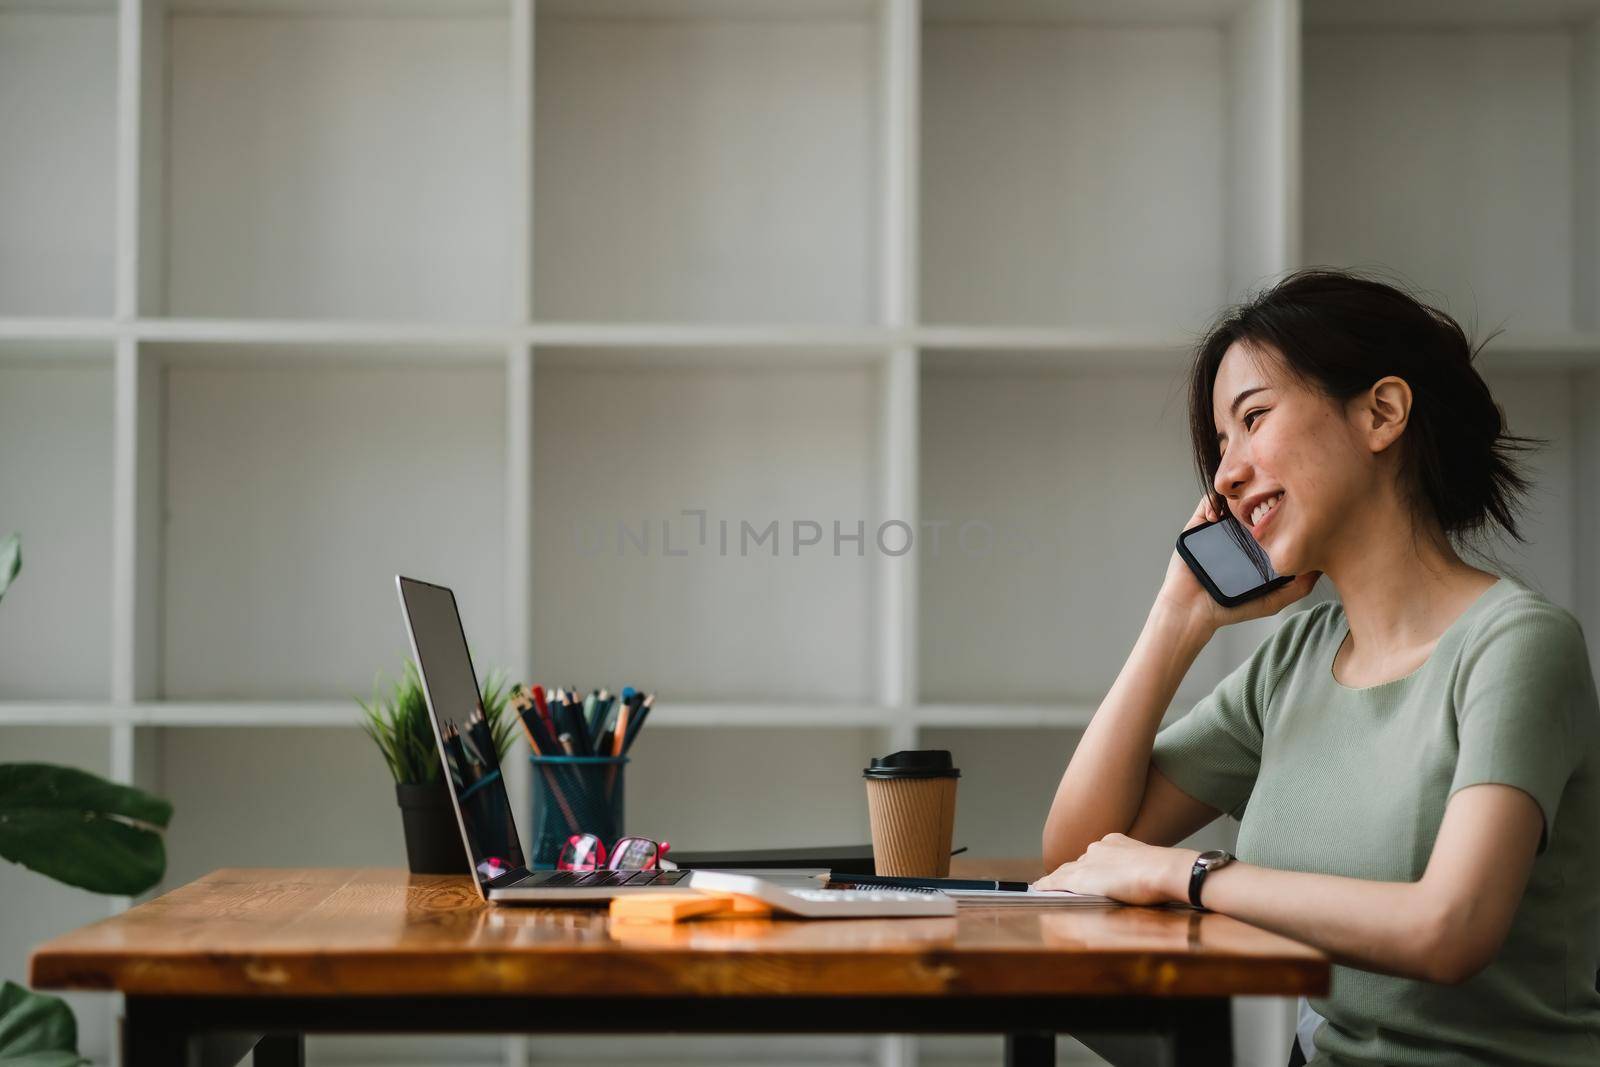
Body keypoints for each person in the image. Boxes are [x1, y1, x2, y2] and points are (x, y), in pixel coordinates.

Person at [1037, 269, 1600, 1065]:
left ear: (1382, 412)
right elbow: (1081, 852)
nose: (1225, 473)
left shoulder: (1517, 645)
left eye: (1253, 418)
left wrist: (1189, 875)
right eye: (1221, 444)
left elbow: (1451, 930)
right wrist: (1177, 619)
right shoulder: (1294, 661)